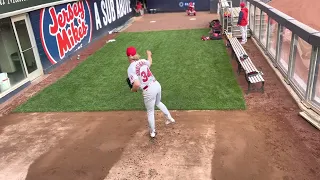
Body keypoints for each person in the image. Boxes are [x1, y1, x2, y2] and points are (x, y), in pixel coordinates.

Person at [126, 47, 175, 138]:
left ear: (128, 56)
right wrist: (149, 54)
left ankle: (152, 132)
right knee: (158, 102)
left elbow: (136, 84)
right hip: (156, 84)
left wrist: (133, 89)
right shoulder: (143, 61)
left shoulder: (130, 68)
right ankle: (169, 118)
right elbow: (150, 62)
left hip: (148, 90)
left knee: (150, 111)